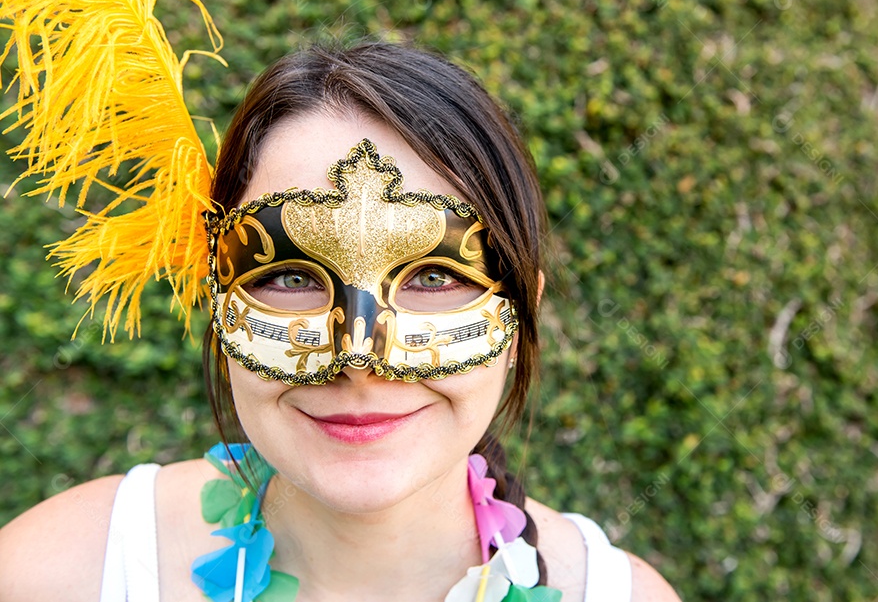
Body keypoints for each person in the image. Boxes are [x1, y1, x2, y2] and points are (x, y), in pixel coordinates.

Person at [0, 42, 680, 602]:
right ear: (216, 295)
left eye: (434, 275)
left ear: (520, 310)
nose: (359, 355)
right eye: (290, 276)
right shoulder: (54, 575)